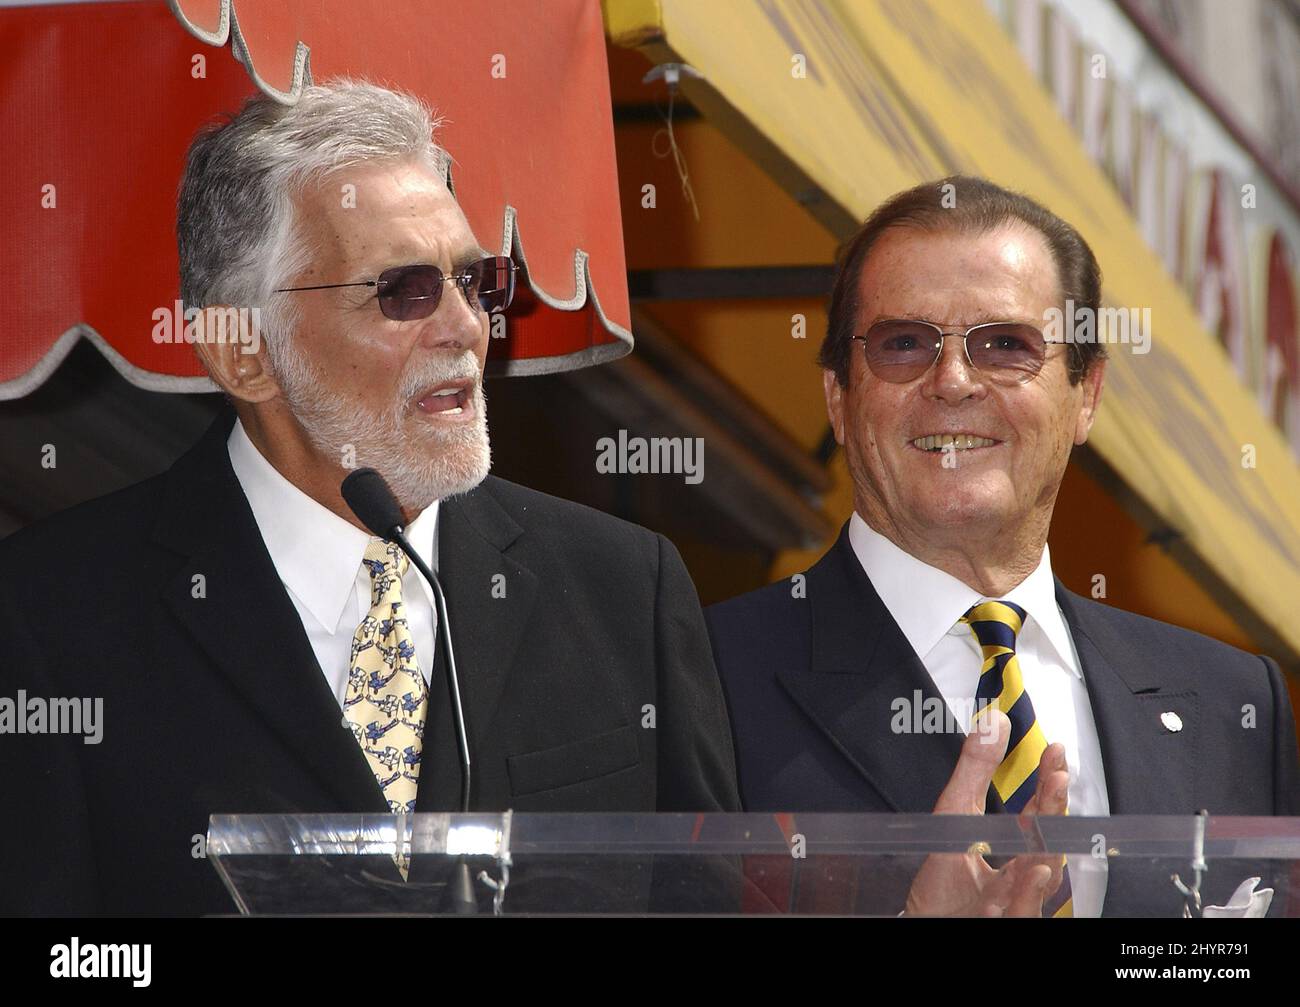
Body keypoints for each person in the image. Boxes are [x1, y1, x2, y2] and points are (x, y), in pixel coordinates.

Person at [0, 81, 738, 916]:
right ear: (243, 351)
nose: (466, 326)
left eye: (475, 280)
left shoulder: (622, 587)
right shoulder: (49, 617)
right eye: (404, 291)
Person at [706, 176, 1300, 917]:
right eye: (903, 343)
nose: (952, 381)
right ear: (838, 395)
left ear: (1086, 394)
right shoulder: (702, 675)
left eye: (1006, 344)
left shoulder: (1232, 705)